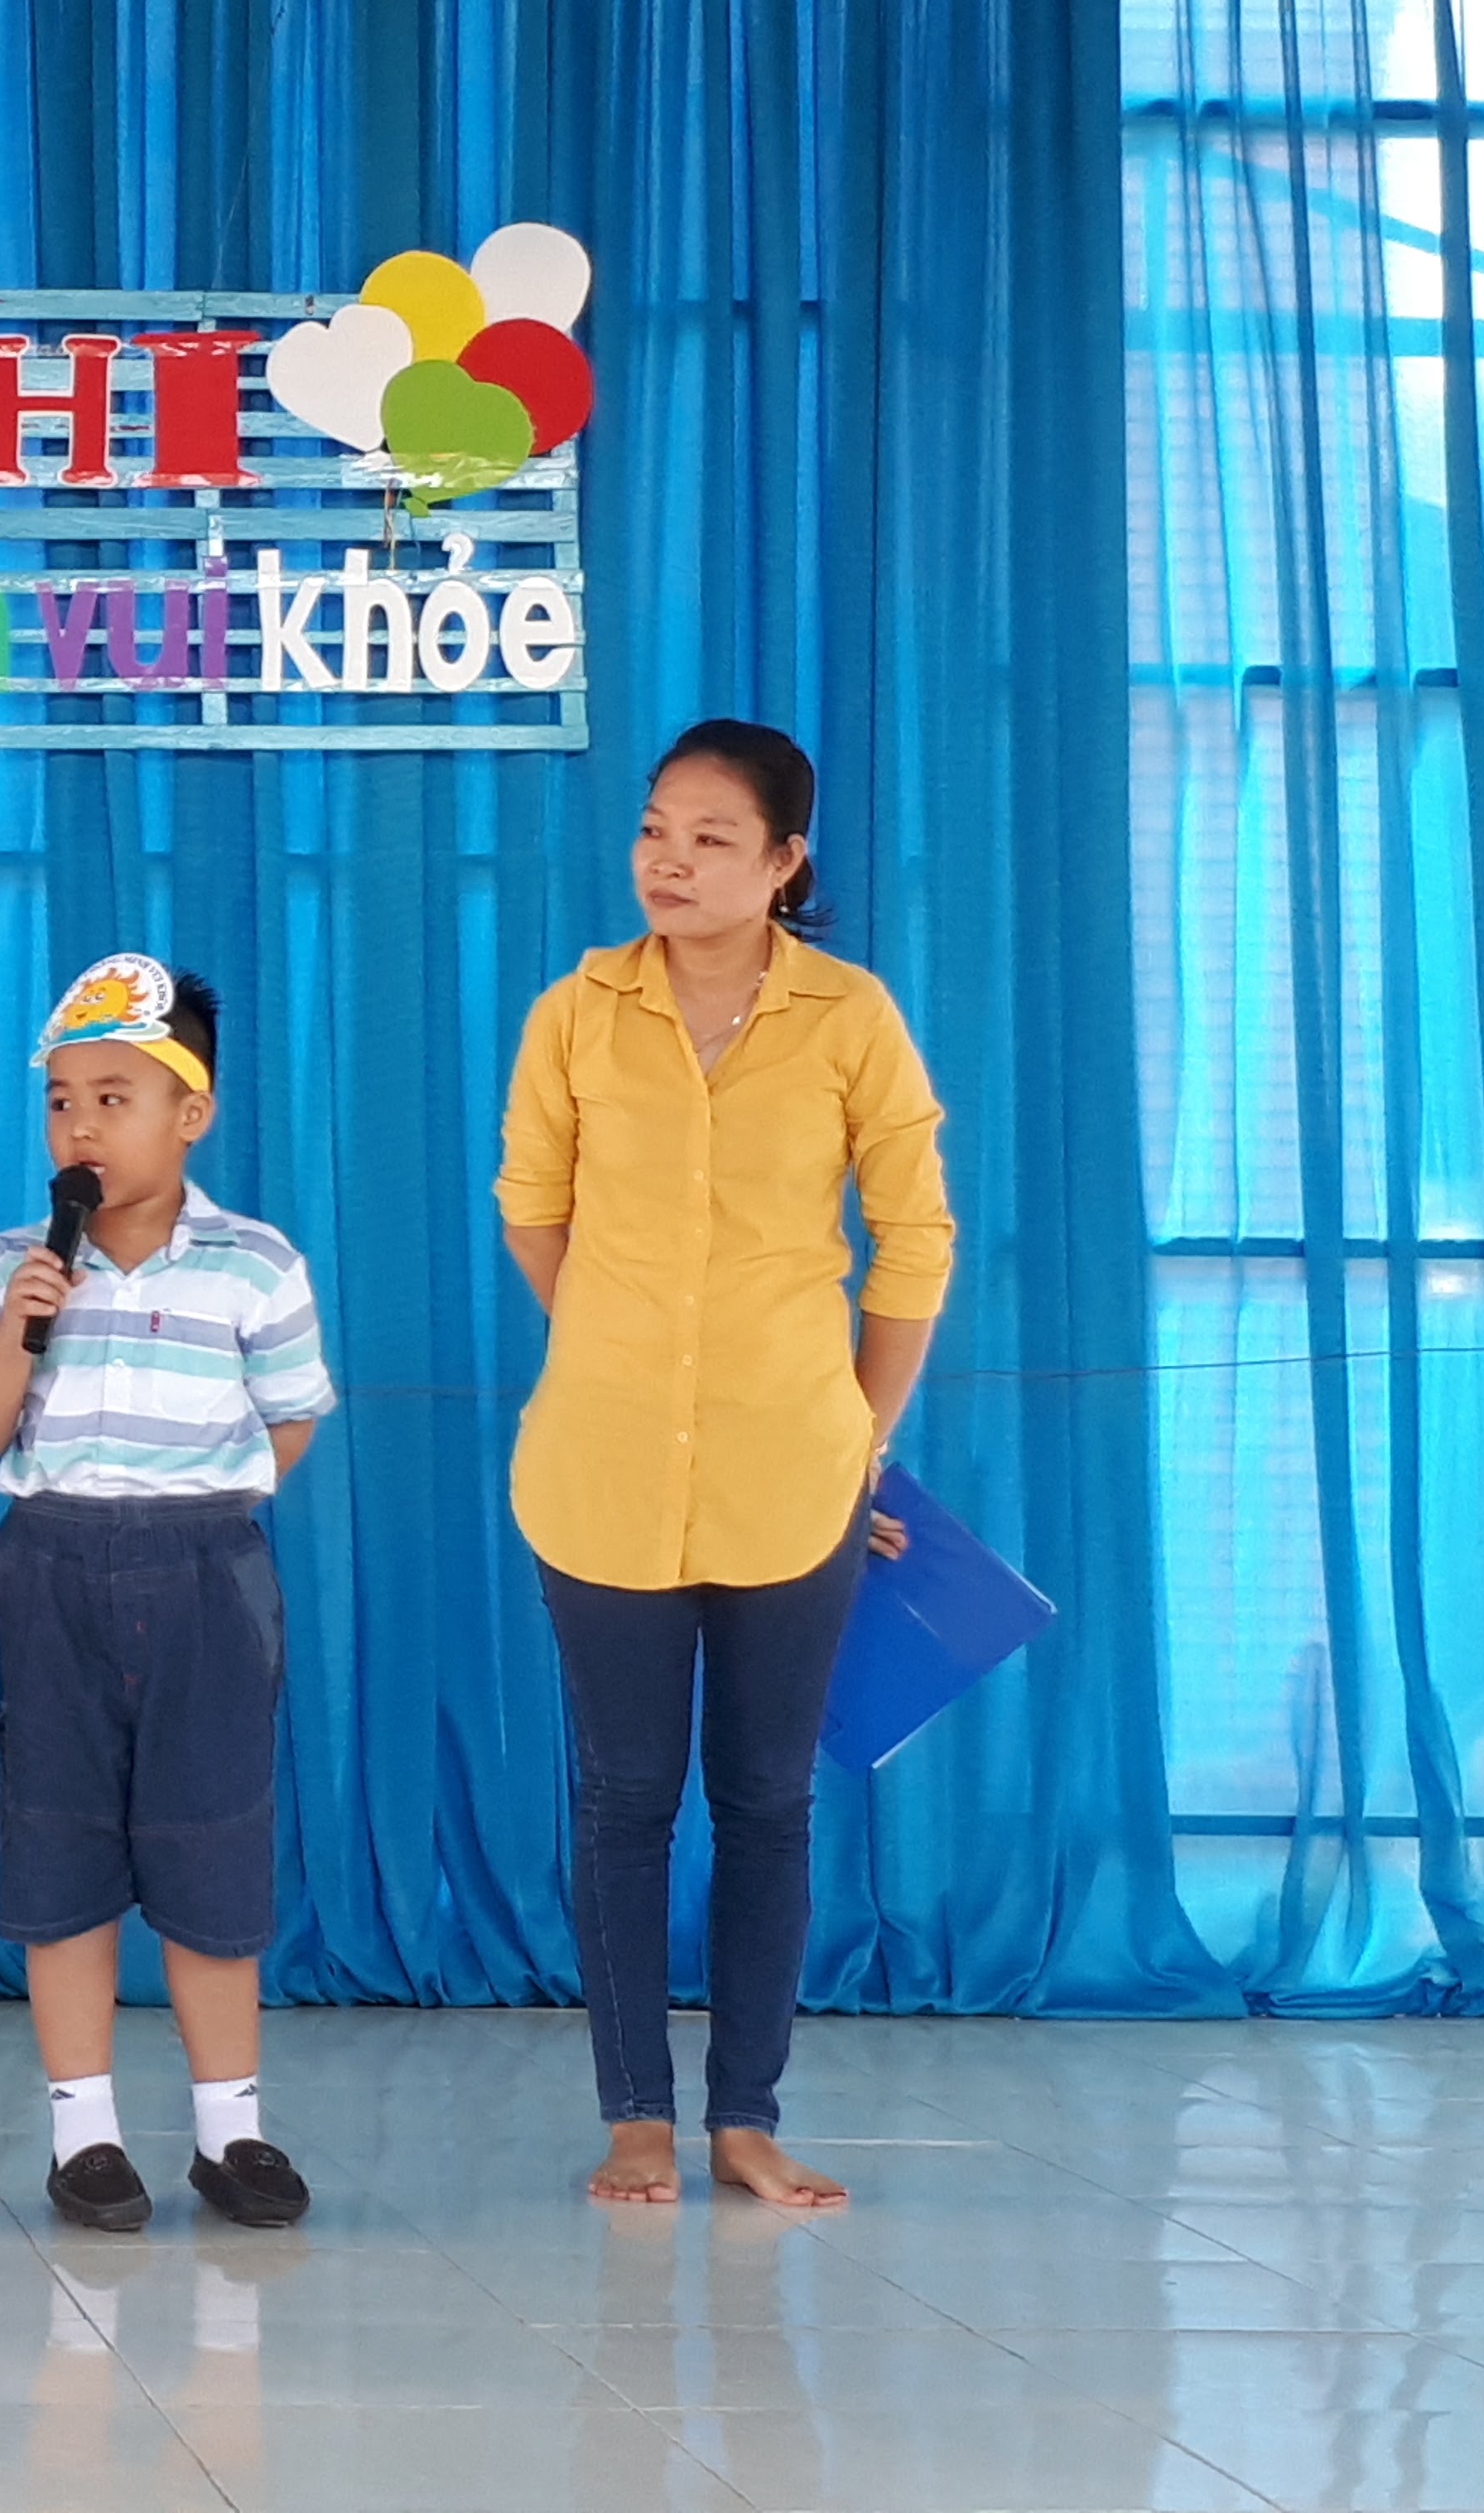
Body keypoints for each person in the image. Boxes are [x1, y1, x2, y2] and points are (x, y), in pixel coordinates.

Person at [496, 720, 953, 2209]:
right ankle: (635, 2118)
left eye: (709, 838)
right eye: (655, 830)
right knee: (624, 1800)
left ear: (784, 862)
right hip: (600, 1465)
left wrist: (857, 1435)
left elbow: (916, 1237)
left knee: (766, 1802)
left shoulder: (850, 1018)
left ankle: (745, 2118)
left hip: (793, 1471)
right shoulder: (576, 1013)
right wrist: (624, 1341)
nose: (670, 861)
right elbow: (533, 1206)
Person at [0, 955, 334, 2234]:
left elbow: (289, 1424)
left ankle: (230, 2129)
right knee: (62, 1843)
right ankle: (85, 2134)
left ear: (190, 1112)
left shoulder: (255, 1265)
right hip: (52, 1568)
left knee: (213, 1842)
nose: (82, 1127)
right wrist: (22, 1327)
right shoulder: (11, 1264)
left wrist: (192, 1507)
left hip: (207, 1570)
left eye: (114, 1098)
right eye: (61, 1102)